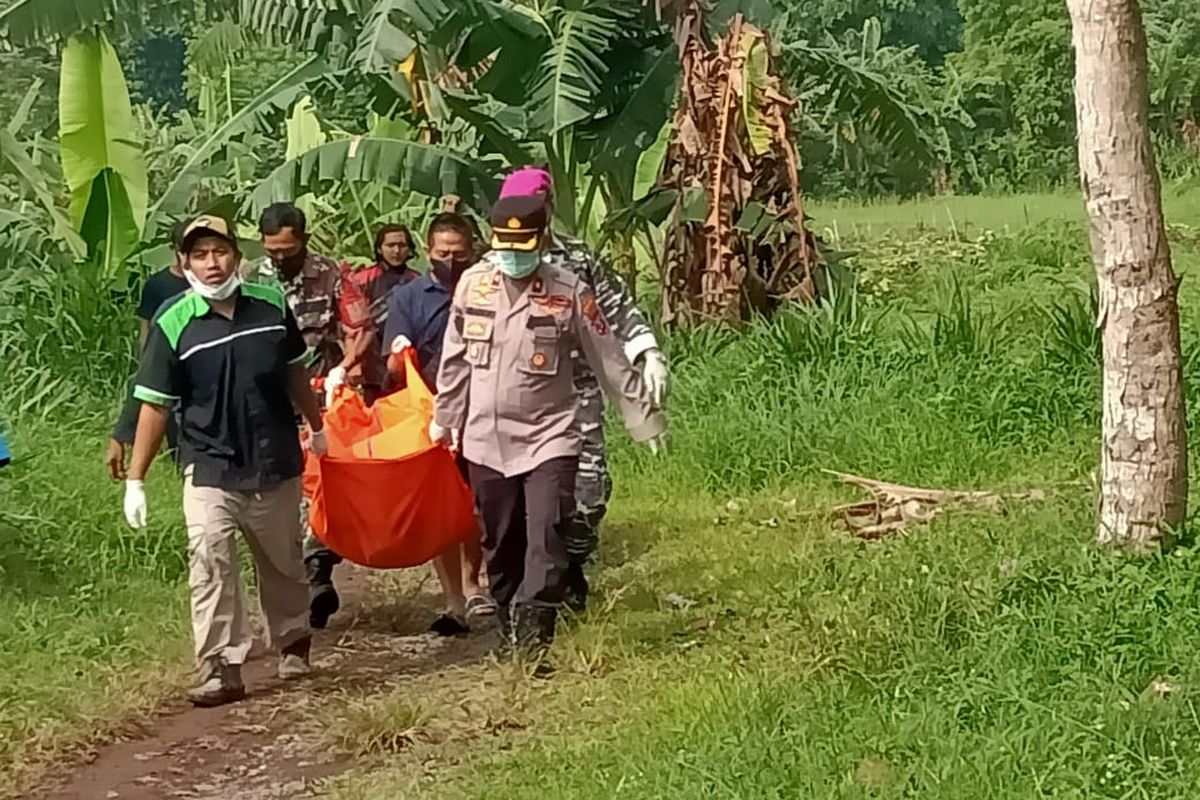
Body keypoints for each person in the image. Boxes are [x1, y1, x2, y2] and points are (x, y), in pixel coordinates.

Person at [432, 195, 667, 673]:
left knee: (547, 533)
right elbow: (455, 360)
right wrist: (445, 417)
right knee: (502, 540)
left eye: (523, 245)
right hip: (485, 438)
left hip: (550, 436)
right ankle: (506, 619)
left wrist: (644, 420)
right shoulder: (473, 286)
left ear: (541, 241)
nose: (513, 256)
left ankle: (534, 628)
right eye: (505, 246)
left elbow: (608, 359)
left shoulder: (569, 290)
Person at [121, 215, 326, 707]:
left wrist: (318, 427)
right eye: (199, 255)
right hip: (209, 465)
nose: (212, 264)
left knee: (282, 563)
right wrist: (136, 479)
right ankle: (220, 665)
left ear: (237, 255)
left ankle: (293, 643)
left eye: (219, 252)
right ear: (183, 264)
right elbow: (154, 402)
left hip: (274, 458)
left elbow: (296, 371)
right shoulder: (174, 321)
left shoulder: (271, 305)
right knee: (210, 560)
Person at [492, 167, 670, 612]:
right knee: (523, 506)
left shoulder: (577, 259)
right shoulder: (492, 263)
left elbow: (615, 309)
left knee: (589, 493)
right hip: (516, 401)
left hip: (577, 392)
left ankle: (568, 566)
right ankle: (537, 593)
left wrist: (646, 352)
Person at [245, 203, 370, 629]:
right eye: (272, 251)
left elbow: (359, 327)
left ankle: (316, 570)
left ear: (304, 241)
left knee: (321, 485)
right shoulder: (247, 278)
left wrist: (346, 366)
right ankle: (296, 574)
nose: (280, 259)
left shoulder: (331, 275)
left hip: (321, 397)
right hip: (266, 403)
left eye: (288, 250)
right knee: (281, 491)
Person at [382, 213, 497, 633]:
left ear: (474, 251)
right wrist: (399, 353)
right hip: (430, 413)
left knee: (478, 503)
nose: (451, 260)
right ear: (428, 251)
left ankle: (475, 583)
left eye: (459, 253)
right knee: (439, 508)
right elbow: (394, 368)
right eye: (442, 253)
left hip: (486, 408)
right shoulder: (409, 297)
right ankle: (454, 598)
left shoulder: (490, 287)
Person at [106, 219, 192, 479]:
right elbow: (148, 336)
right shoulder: (162, 290)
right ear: (176, 250)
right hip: (174, 378)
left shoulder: (242, 298)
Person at [345, 224, 420, 402]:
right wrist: (353, 362)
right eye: (390, 245)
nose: (396, 251)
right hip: (371, 364)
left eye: (402, 245)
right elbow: (351, 326)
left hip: (405, 365)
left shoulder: (417, 282)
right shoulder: (362, 279)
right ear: (379, 248)